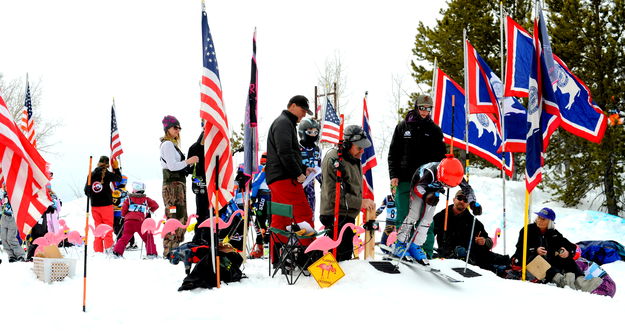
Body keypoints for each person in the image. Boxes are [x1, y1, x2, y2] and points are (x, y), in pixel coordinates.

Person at [393, 156, 481, 265]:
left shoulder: (455, 174)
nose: (447, 186)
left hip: (434, 191)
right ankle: (400, 243)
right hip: (420, 188)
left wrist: (473, 203)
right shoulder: (430, 172)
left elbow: (467, 189)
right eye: (446, 184)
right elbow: (418, 188)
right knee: (414, 215)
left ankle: (415, 245)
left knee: (427, 219)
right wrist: (426, 196)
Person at [388, 95, 445, 248]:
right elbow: (393, 153)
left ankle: (424, 250)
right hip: (405, 178)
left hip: (426, 180)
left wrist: (439, 180)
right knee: (404, 214)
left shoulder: (434, 130)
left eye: (428, 109)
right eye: (422, 108)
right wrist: (393, 175)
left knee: (425, 217)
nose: (425, 112)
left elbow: (441, 159)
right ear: (416, 107)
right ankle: (401, 246)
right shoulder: (403, 127)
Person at [265, 95, 316, 252]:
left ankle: (277, 256)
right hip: (284, 178)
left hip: (276, 178)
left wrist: (303, 168)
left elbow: (289, 153)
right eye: (303, 110)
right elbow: (285, 152)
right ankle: (308, 255)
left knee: (280, 219)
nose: (304, 114)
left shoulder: (285, 123)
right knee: (304, 214)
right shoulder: (284, 123)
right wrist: (297, 173)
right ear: (292, 106)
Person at [320, 125, 375, 262]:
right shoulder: (333, 160)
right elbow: (333, 194)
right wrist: (360, 202)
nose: (362, 151)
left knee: (345, 256)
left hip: (347, 214)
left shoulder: (353, 157)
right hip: (335, 215)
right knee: (339, 259)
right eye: (358, 147)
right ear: (347, 144)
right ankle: (332, 282)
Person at [511, 207, 603, 291]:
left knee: (566, 258)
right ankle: (561, 281)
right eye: (538, 217)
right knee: (539, 258)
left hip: (548, 262)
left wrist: (567, 252)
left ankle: (581, 283)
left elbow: (570, 246)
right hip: (527, 259)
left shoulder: (553, 233)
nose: (539, 220)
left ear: (550, 222)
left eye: (543, 219)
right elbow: (520, 247)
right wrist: (535, 250)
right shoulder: (528, 229)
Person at [432, 190, 509, 274]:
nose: (462, 201)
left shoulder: (473, 221)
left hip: (472, 256)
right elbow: (428, 234)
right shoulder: (441, 216)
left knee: (503, 260)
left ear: (468, 204)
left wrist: (484, 241)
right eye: (459, 198)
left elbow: (489, 242)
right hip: (448, 255)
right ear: (454, 199)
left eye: (465, 200)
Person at [160, 115, 198, 258]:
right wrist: (188, 161)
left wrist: (186, 168)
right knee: (174, 215)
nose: (178, 130)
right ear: (167, 128)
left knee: (181, 216)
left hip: (177, 186)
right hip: (172, 187)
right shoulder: (167, 145)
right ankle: (169, 249)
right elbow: (172, 166)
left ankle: (174, 248)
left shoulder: (173, 145)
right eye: (175, 127)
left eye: (179, 127)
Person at [84, 156, 122, 253]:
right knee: (108, 228)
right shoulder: (108, 174)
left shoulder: (91, 175)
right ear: (107, 164)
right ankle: (109, 249)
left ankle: (98, 251)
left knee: (98, 229)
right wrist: (116, 168)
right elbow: (119, 179)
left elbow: (86, 191)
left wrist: (91, 193)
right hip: (106, 206)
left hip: (94, 206)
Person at [112, 182, 159, 258]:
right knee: (148, 238)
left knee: (124, 238)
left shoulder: (129, 199)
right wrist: (149, 211)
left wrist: (124, 216)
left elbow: (124, 209)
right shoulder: (146, 200)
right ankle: (151, 253)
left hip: (129, 222)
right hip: (141, 222)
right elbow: (156, 205)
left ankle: (117, 252)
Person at [298, 118, 322, 219]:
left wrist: (324, 184)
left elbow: (319, 169)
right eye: (309, 132)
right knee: (297, 216)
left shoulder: (317, 150)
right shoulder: (296, 147)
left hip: (310, 188)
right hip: (297, 185)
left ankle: (310, 232)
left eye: (315, 132)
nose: (313, 134)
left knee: (310, 216)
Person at [249, 152, 270, 258]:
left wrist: (252, 196)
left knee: (260, 220)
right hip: (272, 195)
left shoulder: (262, 168)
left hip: (263, 195)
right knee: (268, 221)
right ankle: (268, 247)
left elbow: (256, 183)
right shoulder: (275, 167)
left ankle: (262, 248)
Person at [0, 187, 25, 262]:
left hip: (13, 218)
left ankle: (20, 255)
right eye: (4, 186)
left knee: (11, 238)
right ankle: (11, 256)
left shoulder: (15, 194)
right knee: (4, 239)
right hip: (4, 217)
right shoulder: (2, 194)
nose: (5, 187)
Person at [112, 175, 135, 249]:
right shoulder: (127, 191)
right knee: (126, 229)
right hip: (126, 214)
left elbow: (114, 202)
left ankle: (120, 244)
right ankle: (131, 243)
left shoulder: (117, 192)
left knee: (118, 229)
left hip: (117, 214)